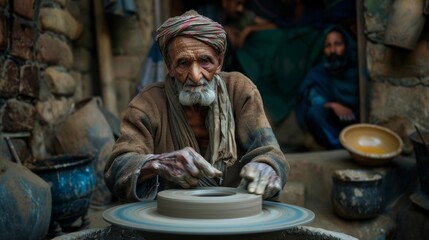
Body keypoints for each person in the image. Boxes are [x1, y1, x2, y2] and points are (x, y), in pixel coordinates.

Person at [104, 10, 289, 202]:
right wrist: (158, 163)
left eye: (205, 61)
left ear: (219, 62)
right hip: (172, 219)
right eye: (183, 63)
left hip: (235, 214)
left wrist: (267, 167)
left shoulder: (240, 91)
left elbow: (270, 152)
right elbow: (117, 169)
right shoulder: (147, 104)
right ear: (169, 66)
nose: (195, 75)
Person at [295, 25, 359, 150]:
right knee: (315, 113)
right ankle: (340, 149)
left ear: (346, 45)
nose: (333, 50)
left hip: (355, 120)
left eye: (338, 44)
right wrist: (333, 105)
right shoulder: (319, 73)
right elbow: (312, 95)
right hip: (333, 121)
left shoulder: (357, 72)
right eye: (328, 46)